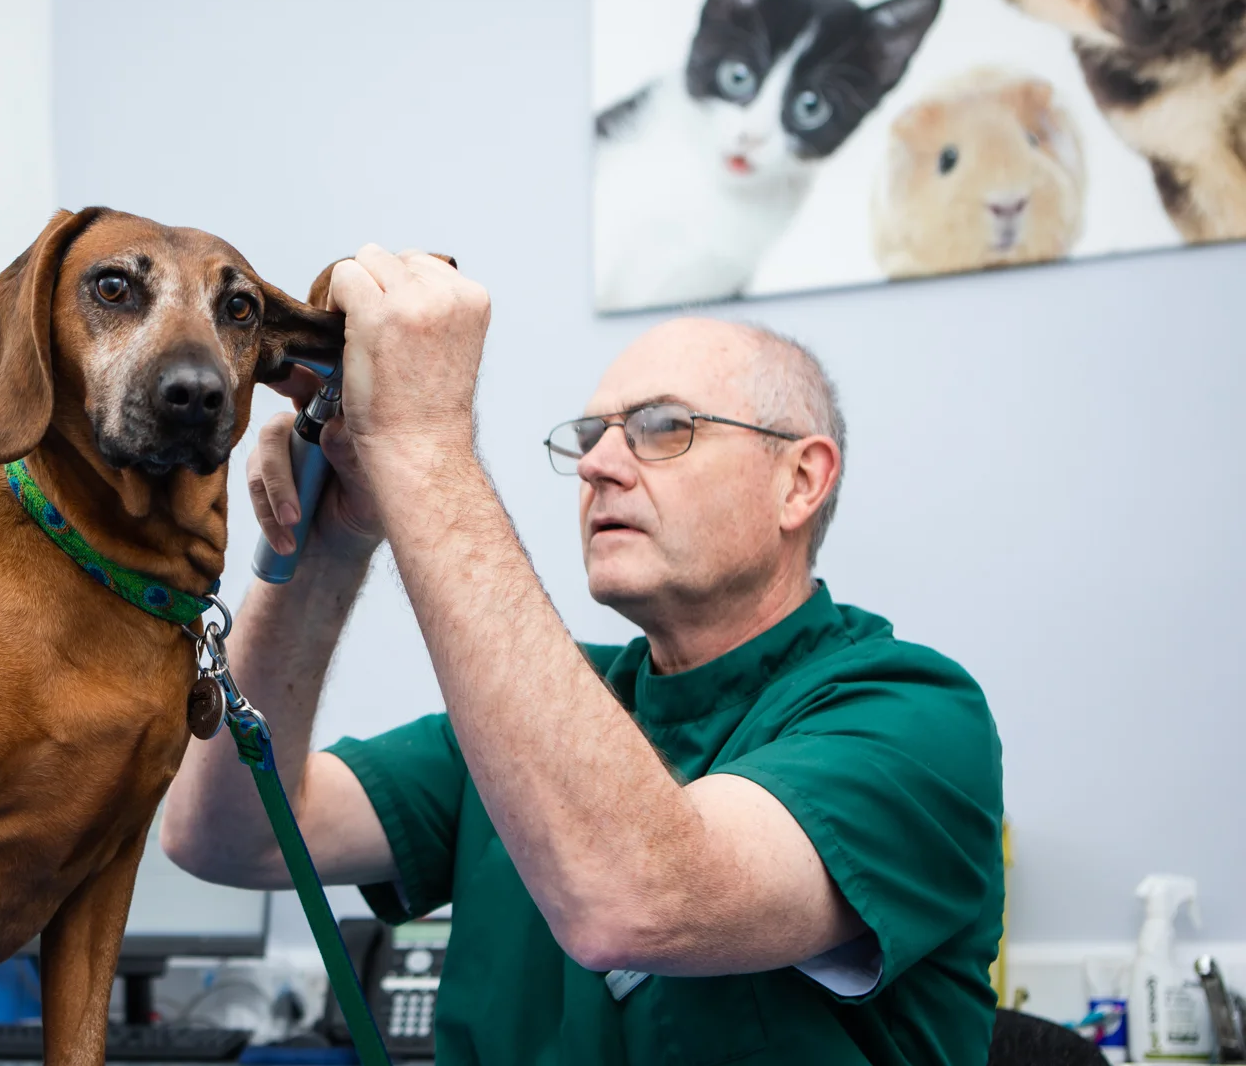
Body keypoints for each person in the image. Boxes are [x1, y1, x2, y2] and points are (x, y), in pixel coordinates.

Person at [161, 246, 1005, 1065]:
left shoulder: (916, 717)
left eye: (662, 427)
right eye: (592, 435)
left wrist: (422, 443)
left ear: (800, 480)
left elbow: (639, 901)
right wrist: (327, 548)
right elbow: (228, 837)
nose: (598, 466)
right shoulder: (540, 723)